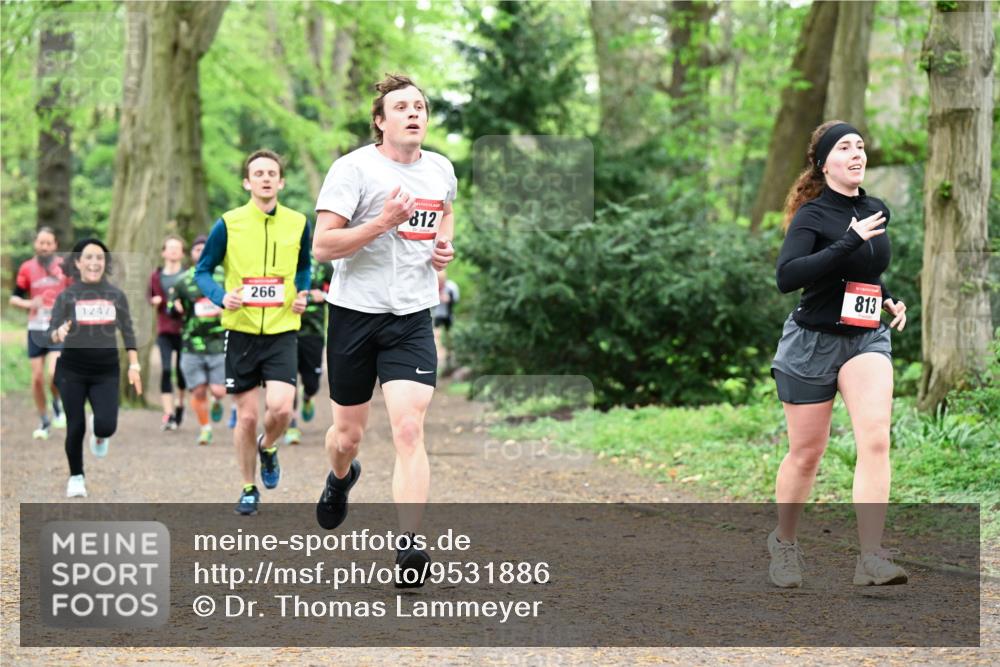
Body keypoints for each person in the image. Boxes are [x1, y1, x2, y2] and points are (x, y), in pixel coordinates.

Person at [312, 74, 456, 587]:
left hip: (411, 317)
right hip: (353, 314)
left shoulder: (440, 170)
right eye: (402, 107)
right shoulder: (352, 170)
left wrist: (443, 250)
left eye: (420, 106)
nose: (414, 113)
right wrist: (382, 222)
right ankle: (340, 477)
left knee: (409, 428)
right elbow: (323, 248)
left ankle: (411, 545)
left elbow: (445, 217)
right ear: (380, 120)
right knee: (347, 436)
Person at [768, 121, 909, 588]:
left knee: (875, 439)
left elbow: (865, 268)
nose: (856, 153)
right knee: (807, 454)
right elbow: (788, 276)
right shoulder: (812, 215)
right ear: (824, 162)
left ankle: (870, 557)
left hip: (865, 338)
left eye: (860, 146)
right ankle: (785, 545)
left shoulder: (876, 209)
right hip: (813, 343)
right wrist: (849, 238)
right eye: (844, 147)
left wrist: (886, 297)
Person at [195, 149, 311, 516]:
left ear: (281, 181)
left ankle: (269, 446)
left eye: (271, 173)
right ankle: (248, 487)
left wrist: (303, 292)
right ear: (247, 182)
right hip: (241, 331)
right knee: (245, 417)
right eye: (258, 173)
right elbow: (202, 270)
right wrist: (220, 295)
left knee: (280, 408)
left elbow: (305, 266)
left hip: (282, 331)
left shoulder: (298, 223)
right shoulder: (227, 224)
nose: (265, 178)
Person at [47, 238, 142, 498]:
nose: (94, 262)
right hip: (72, 371)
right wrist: (60, 331)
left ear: (105, 263)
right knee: (75, 426)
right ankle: (76, 476)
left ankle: (99, 434)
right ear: (77, 262)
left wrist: (134, 364)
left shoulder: (116, 295)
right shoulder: (67, 296)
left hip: (105, 371)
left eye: (99, 257)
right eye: (88, 257)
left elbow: (128, 331)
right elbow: (49, 335)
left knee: (106, 426)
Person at [10, 227, 70, 439]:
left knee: (54, 373)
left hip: (57, 327)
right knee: (36, 378)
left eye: (48, 243)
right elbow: (14, 297)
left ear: (55, 246)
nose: (44, 247)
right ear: (36, 244)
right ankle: (44, 421)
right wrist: (29, 303)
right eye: (41, 243)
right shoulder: (27, 268)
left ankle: (56, 402)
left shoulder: (64, 267)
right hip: (35, 327)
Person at [172, 235, 227, 445]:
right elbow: (171, 307)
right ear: (191, 254)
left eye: (205, 249)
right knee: (198, 390)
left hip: (219, 342)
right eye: (197, 250)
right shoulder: (183, 280)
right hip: (191, 343)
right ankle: (205, 428)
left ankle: (216, 401)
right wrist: (174, 308)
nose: (201, 253)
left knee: (219, 391)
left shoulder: (225, 275)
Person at [284, 255, 333, 445]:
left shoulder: (321, 264)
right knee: (289, 380)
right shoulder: (282, 260)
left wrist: (325, 296)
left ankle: (308, 396)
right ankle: (292, 425)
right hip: (286, 330)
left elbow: (341, 289)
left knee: (312, 383)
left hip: (313, 332)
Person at [149, 234, 187, 431]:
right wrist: (156, 301)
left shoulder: (189, 275)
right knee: (165, 370)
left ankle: (180, 405)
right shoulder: (156, 276)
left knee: (181, 372)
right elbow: (151, 296)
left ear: (182, 252)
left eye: (176, 247)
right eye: (169, 247)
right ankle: (168, 413)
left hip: (184, 330)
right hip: (164, 329)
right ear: (163, 252)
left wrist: (184, 306)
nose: (173, 251)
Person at [432, 269, 460, 373]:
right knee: (436, 334)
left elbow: (456, 299)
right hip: (438, 314)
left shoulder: (451, 287)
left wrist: (449, 299)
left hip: (448, 314)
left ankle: (450, 353)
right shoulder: (433, 286)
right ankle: (438, 354)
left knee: (449, 335)